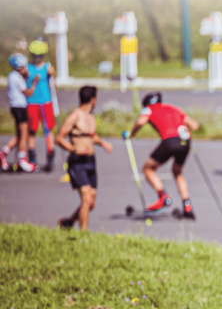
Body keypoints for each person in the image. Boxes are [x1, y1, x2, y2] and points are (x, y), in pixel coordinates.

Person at [125, 92, 201, 219]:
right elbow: (194, 125)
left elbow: (140, 122)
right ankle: (187, 206)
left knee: (148, 168)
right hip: (185, 141)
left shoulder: (148, 109)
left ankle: (163, 196)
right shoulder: (172, 107)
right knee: (177, 172)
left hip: (170, 141)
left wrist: (130, 134)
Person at [55, 86, 112, 231]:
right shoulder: (75, 115)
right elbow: (59, 138)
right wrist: (72, 149)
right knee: (86, 198)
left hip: (90, 161)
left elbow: (91, 136)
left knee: (91, 203)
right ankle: (83, 234)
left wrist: (103, 143)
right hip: (77, 162)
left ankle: (68, 222)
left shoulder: (90, 117)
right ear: (93, 99)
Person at [25, 39, 57, 172]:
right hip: (32, 102)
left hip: (46, 101)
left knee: (48, 129)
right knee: (32, 129)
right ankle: (32, 157)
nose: (37, 58)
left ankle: (50, 155)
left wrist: (52, 75)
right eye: (35, 56)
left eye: (40, 56)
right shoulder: (27, 68)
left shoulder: (47, 67)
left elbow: (54, 86)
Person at [2, 53, 37, 172]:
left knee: (19, 136)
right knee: (24, 135)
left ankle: (3, 153)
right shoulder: (17, 77)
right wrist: (34, 84)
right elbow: (28, 92)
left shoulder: (12, 76)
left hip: (15, 107)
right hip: (20, 107)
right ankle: (22, 159)